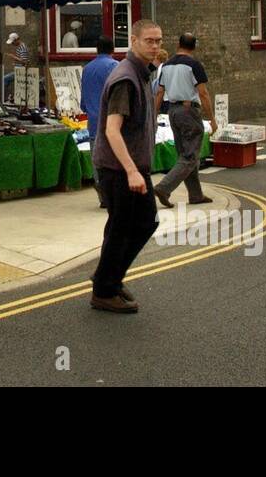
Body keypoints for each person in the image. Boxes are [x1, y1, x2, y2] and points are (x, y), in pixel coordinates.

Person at [89, 19, 163, 314]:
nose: (155, 46)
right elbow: (111, 130)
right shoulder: (126, 78)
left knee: (128, 225)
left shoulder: (141, 73)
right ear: (133, 41)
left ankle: (110, 277)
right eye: (149, 40)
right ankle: (104, 290)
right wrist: (132, 170)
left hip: (129, 167)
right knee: (132, 225)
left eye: (158, 40)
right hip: (120, 169)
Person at [152, 33, 216, 208]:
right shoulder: (194, 65)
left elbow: (159, 92)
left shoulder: (167, 65)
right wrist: (212, 119)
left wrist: (154, 115)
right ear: (193, 46)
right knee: (190, 156)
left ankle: (195, 195)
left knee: (185, 155)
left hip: (172, 111)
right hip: (189, 111)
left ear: (179, 44)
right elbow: (203, 93)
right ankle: (164, 188)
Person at [79, 36, 118, 208]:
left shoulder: (87, 68)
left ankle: (102, 193)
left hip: (93, 121)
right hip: (111, 120)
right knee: (113, 159)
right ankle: (112, 194)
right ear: (113, 50)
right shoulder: (114, 66)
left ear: (96, 49)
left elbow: (83, 102)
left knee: (98, 159)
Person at [4, 32, 30, 103]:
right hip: (19, 69)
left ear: (16, 40)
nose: (12, 44)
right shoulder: (21, 47)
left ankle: (6, 98)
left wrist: (13, 57)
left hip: (21, 71)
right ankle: (10, 97)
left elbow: (25, 61)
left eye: (13, 42)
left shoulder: (23, 48)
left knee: (4, 79)